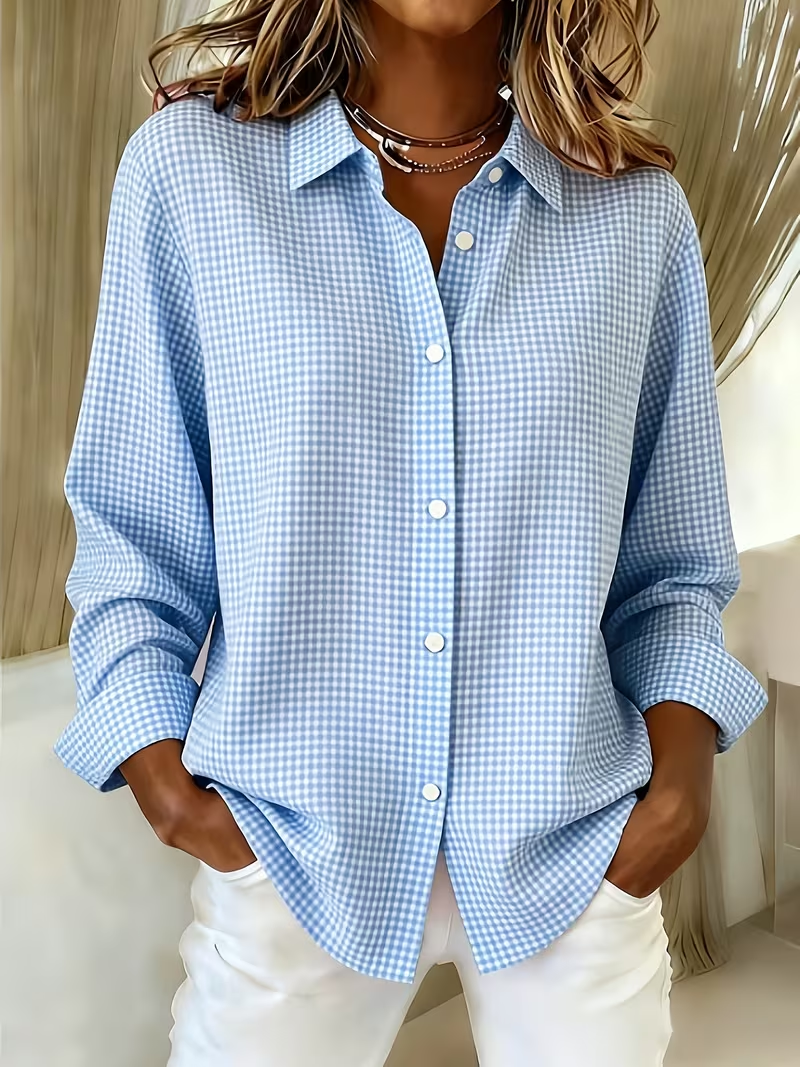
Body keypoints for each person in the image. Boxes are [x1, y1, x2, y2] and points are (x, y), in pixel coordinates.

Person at [54, 1, 768, 1064]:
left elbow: (668, 565)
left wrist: (678, 794)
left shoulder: (632, 213)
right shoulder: (191, 176)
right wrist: (165, 780)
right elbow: (134, 523)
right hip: (293, 849)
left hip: (571, 850)